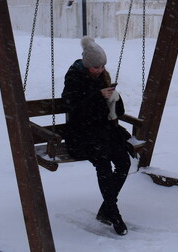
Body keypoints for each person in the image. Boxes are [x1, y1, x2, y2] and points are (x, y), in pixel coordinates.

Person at [62, 36, 131, 236]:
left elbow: (116, 112)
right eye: (96, 67)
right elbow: (72, 106)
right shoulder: (74, 76)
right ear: (87, 65)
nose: (100, 70)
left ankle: (106, 208)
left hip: (104, 130)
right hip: (81, 132)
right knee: (103, 163)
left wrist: (114, 98)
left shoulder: (102, 76)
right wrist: (97, 96)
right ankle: (114, 212)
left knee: (123, 162)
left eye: (102, 66)